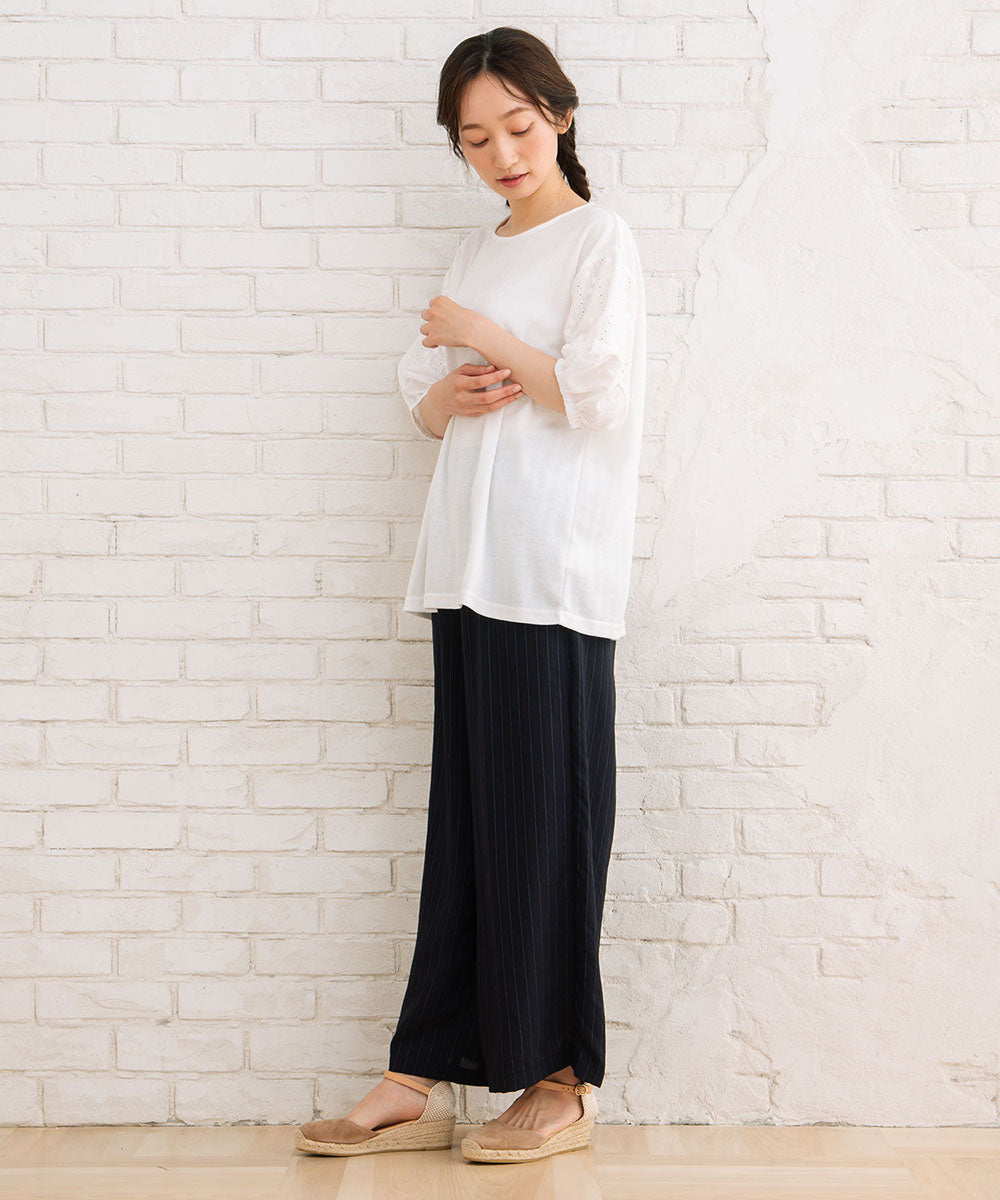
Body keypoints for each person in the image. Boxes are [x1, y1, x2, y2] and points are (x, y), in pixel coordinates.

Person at [295, 25, 646, 1166]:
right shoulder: (473, 250)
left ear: (561, 116)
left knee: (547, 823)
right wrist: (458, 386)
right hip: (467, 564)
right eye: (476, 139)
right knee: (468, 826)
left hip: (552, 571)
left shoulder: (599, 240)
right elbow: (425, 402)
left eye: (518, 128)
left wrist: (482, 338)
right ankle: (421, 1069)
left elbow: (595, 393)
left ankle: (560, 1081)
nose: (502, 154)